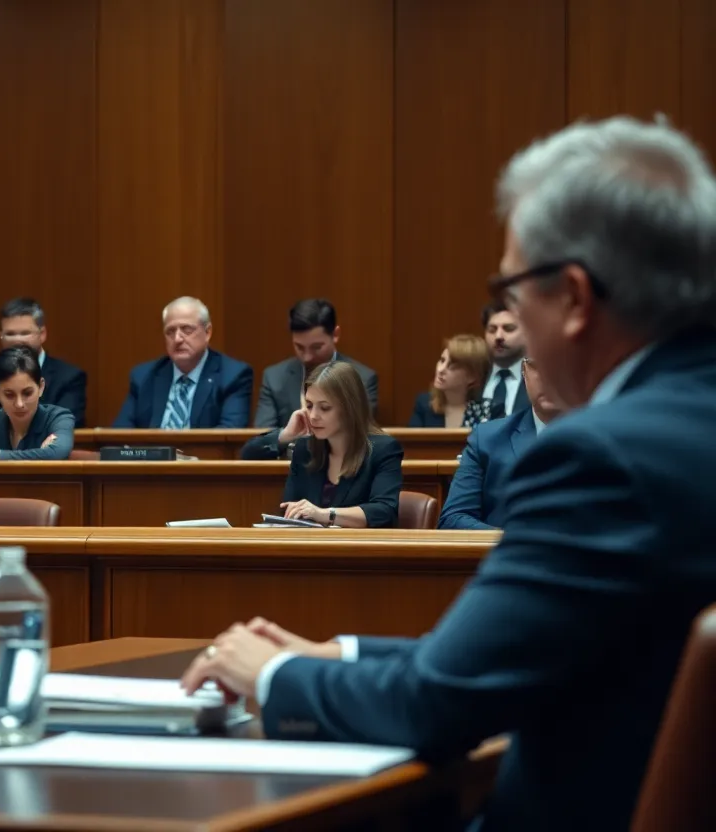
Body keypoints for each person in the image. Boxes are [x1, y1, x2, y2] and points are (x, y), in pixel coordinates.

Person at [180, 116, 716, 831]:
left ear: (577, 299)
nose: (511, 327)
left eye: (514, 292)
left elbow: (439, 707)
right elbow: (539, 646)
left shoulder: (604, 459)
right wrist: (339, 652)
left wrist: (271, 674)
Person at [439, 357, 563, 530]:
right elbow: (453, 519)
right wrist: (514, 542)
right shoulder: (488, 439)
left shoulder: (607, 438)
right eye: (538, 365)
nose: (549, 376)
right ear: (524, 371)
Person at [276, 362, 402, 528]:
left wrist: (324, 514)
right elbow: (290, 510)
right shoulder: (304, 449)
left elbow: (384, 511)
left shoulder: (383, 449)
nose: (313, 416)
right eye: (309, 405)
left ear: (349, 408)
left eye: (325, 408)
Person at [113, 296, 253, 429]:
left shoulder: (233, 376)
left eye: (187, 330)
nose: (177, 339)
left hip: (203, 455)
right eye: (170, 331)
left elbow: (229, 436)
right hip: (151, 454)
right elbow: (120, 436)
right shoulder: (143, 376)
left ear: (208, 332)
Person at [254, 298, 378, 427]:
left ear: (335, 335)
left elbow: (356, 434)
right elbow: (264, 439)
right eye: (299, 347)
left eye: (316, 347)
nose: (307, 357)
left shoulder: (363, 379)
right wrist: (287, 437)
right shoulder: (274, 378)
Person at [0, 298, 88, 427]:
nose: (17, 341)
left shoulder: (69, 377)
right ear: (1, 336)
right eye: (10, 334)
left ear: (42, 334)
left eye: (25, 333)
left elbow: (65, 425)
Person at [0, 347, 75, 461]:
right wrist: (42, 454)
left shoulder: (58, 418)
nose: (19, 404)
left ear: (41, 387)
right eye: (9, 395)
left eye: (27, 393)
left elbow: (57, 452)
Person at [407, 334, 493, 427]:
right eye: (442, 360)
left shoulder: (487, 411)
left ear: (472, 376)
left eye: (452, 366)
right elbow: (412, 441)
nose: (440, 370)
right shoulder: (424, 404)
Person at [482, 300, 530, 417]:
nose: (498, 337)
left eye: (508, 329)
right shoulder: (473, 377)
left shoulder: (542, 380)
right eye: (492, 330)